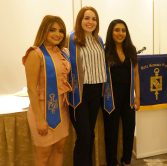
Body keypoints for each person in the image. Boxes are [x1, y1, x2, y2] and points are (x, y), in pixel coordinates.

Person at [23, 15, 71, 166]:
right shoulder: (35, 53)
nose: (58, 34)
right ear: (44, 31)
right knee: (43, 155)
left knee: (60, 149)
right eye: (52, 30)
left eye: (61, 31)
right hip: (42, 110)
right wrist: (39, 119)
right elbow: (31, 88)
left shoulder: (64, 52)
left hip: (62, 109)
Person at [68, 6, 106, 166]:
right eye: (86, 18)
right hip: (79, 92)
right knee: (83, 135)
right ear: (80, 20)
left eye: (94, 19)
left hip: (97, 90)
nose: (90, 22)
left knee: (89, 134)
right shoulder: (71, 39)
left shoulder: (99, 40)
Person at [102, 19, 140, 166]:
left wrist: (138, 97)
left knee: (129, 129)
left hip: (128, 96)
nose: (120, 33)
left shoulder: (131, 50)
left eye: (123, 30)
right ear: (111, 32)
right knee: (111, 132)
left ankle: (126, 160)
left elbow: (136, 74)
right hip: (110, 96)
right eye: (117, 30)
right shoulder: (105, 51)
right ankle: (112, 162)